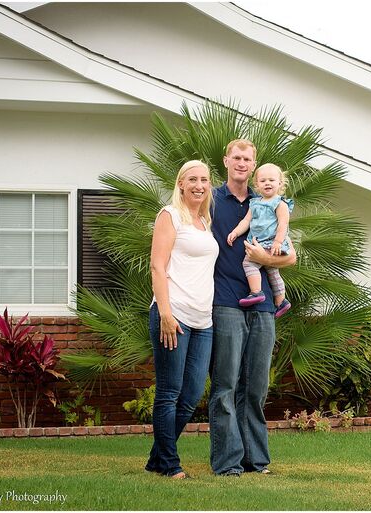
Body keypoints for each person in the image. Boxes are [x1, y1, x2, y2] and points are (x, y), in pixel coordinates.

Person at [208, 139, 296, 476]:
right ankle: (228, 462)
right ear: (227, 160)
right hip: (226, 301)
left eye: (248, 159)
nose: (242, 163)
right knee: (226, 384)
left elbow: (291, 255)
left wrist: (263, 258)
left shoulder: (268, 201)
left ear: (255, 165)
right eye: (237, 158)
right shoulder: (213, 199)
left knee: (256, 385)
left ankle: (255, 460)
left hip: (262, 309)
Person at [145, 160, 218, 480]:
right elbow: (157, 267)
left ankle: (156, 458)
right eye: (192, 179)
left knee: (190, 398)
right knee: (169, 393)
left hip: (204, 321)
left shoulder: (205, 220)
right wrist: (164, 313)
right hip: (174, 315)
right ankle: (170, 465)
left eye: (204, 179)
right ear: (181, 184)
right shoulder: (169, 215)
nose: (199, 185)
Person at [227, 163, 294, 319]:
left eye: (272, 180)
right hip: (259, 241)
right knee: (272, 270)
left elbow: (283, 224)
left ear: (280, 183)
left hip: (271, 242)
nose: (267, 183)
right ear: (257, 185)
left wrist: (277, 242)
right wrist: (236, 232)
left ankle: (256, 292)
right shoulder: (255, 203)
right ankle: (281, 301)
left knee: (249, 263)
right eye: (263, 181)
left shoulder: (280, 204)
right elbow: (246, 221)